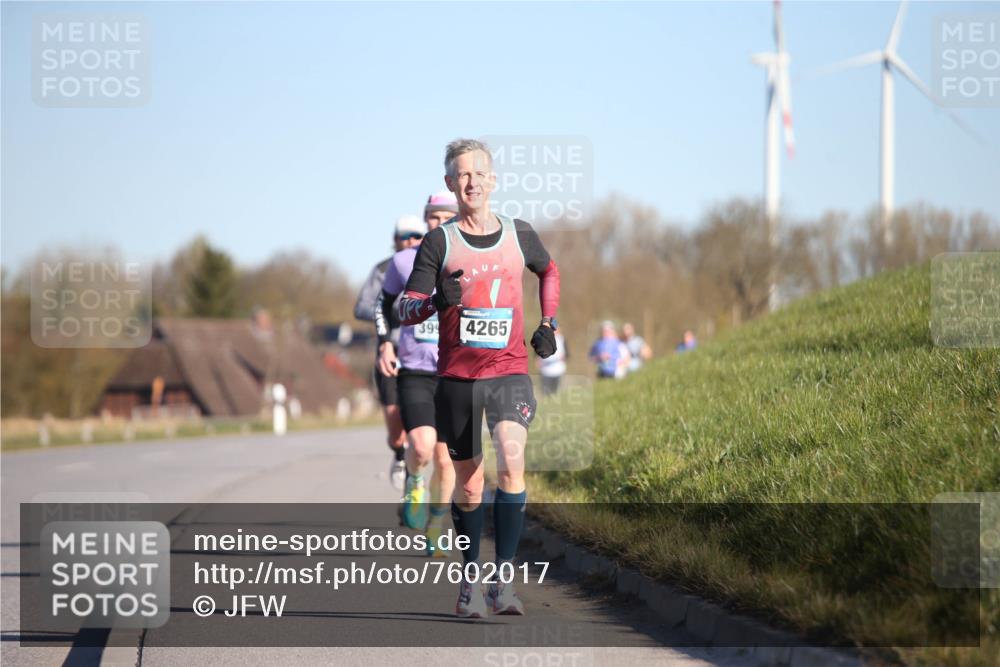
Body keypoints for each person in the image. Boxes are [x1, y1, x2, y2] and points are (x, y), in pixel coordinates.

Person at [397, 139, 560, 618]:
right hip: (457, 378)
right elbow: (406, 307)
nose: (472, 182)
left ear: (493, 180)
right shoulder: (439, 242)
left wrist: (548, 324)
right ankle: (470, 579)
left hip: (508, 370)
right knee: (469, 487)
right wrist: (433, 302)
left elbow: (549, 271)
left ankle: (502, 582)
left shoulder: (519, 234)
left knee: (511, 461)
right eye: (462, 175)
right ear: (451, 183)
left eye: (479, 174)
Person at [374, 193, 459, 558]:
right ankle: (413, 480)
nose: (437, 225)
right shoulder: (405, 261)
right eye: (432, 218)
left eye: (445, 218)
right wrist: (385, 343)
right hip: (416, 369)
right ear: (426, 221)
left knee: (446, 459)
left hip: (455, 369)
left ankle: (437, 526)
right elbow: (382, 304)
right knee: (422, 448)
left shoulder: (468, 261)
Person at [355, 216, 426, 490]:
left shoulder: (430, 264)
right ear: (395, 240)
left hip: (421, 353)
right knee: (396, 430)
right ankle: (399, 454)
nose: (410, 241)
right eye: (404, 236)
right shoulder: (383, 269)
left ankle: (415, 471)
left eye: (416, 236)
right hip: (390, 350)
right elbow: (362, 307)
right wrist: (396, 310)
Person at [537, 330, 567, 396]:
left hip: (558, 371)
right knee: (546, 393)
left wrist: (563, 358)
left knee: (556, 393)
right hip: (545, 371)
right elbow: (537, 354)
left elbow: (567, 354)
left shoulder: (561, 339)